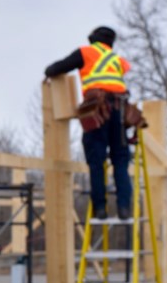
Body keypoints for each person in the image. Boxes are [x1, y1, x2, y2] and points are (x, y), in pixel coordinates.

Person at [45, 25, 132, 220]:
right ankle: (125, 208)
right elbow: (121, 76)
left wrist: (48, 73)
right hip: (119, 109)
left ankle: (100, 209)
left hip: (97, 109)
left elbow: (54, 69)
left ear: (93, 39)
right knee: (120, 159)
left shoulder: (86, 52)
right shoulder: (118, 60)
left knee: (96, 160)